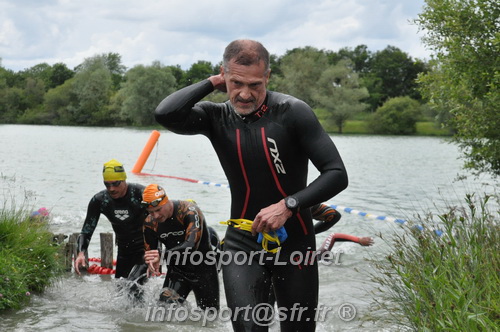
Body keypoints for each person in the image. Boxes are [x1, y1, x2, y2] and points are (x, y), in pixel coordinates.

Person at [155, 39, 348, 331]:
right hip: (242, 244)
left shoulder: (292, 112)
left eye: (255, 85)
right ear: (224, 75)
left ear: (267, 77)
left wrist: (288, 205)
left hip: (295, 241)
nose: (245, 94)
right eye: (236, 83)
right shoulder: (215, 116)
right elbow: (165, 114)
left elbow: (336, 173)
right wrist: (211, 83)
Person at [140, 184, 219, 311]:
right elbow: (152, 254)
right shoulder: (150, 223)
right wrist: (150, 263)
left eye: (158, 210)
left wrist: (162, 256)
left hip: (204, 271)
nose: (155, 216)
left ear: (166, 201)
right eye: (151, 212)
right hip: (177, 271)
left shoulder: (190, 211)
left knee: (210, 318)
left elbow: (191, 246)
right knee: (162, 312)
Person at [74, 159, 147, 279]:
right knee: (121, 288)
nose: (111, 188)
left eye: (115, 183)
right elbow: (87, 230)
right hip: (124, 250)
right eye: (107, 184)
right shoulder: (100, 200)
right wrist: (81, 253)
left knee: (134, 286)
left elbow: (162, 218)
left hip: (147, 249)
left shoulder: (141, 194)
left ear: (124, 180)